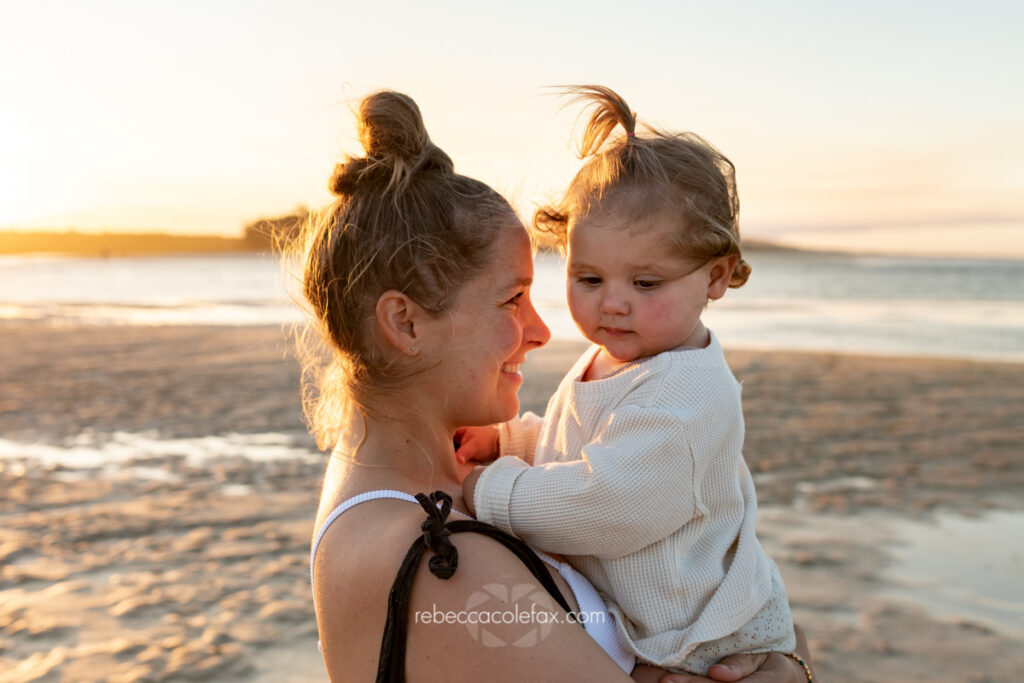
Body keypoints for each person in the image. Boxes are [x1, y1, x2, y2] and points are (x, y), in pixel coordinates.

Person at [304, 88, 813, 682]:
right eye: (513, 299)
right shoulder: (444, 563)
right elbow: (594, 479)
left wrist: (790, 652)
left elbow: (591, 467)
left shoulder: (403, 487)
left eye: (646, 282)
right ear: (405, 322)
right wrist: (799, 666)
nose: (542, 330)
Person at [460, 85, 800, 676]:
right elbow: (587, 445)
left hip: (699, 634)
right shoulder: (623, 354)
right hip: (647, 609)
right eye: (588, 278)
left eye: (646, 284)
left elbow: (605, 502)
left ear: (716, 276)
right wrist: (515, 441)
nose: (613, 305)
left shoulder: (686, 399)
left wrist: (492, 490)